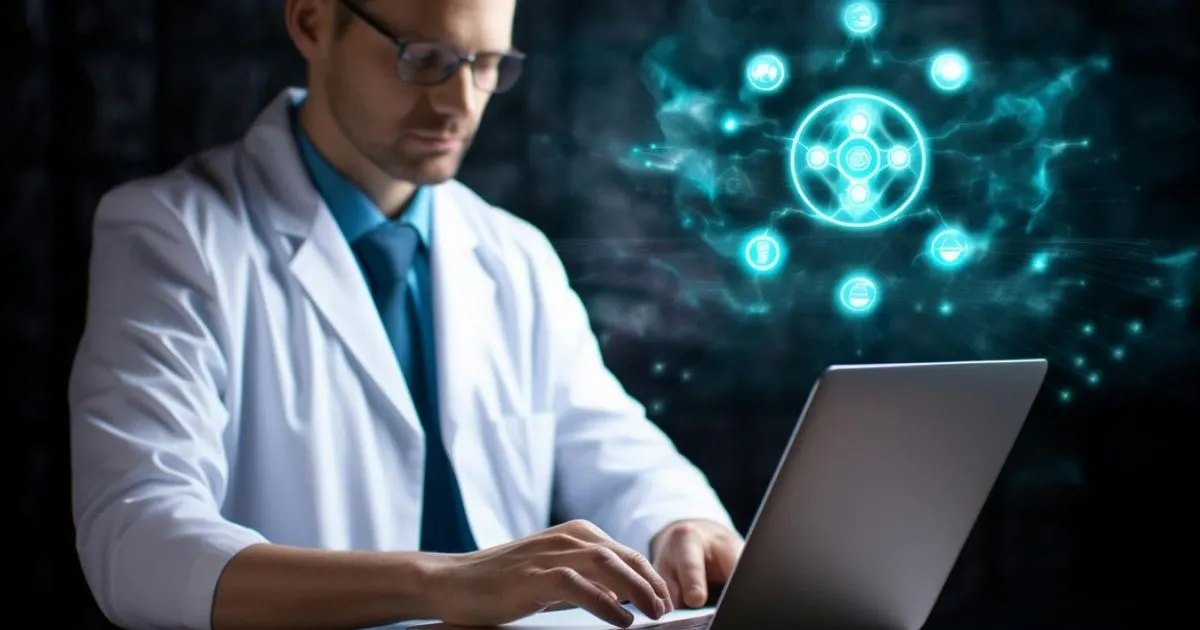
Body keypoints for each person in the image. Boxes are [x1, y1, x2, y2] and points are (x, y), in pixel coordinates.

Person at [68, 1, 744, 628]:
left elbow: (614, 451)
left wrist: (679, 522)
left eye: (487, 65)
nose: (459, 103)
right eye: (423, 58)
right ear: (311, 23)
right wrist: (439, 582)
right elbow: (137, 541)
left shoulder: (513, 255)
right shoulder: (173, 235)